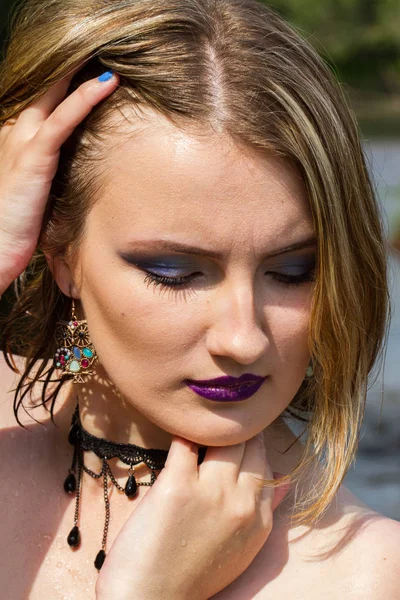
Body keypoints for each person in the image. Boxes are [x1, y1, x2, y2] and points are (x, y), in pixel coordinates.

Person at [0, 0, 399, 597]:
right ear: (60, 254)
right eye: (174, 272)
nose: (243, 338)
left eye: (294, 271)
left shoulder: (366, 575)